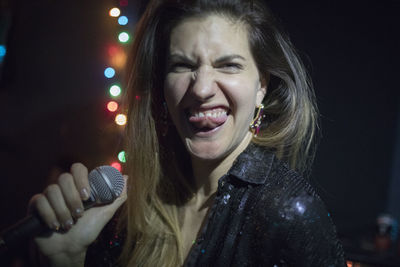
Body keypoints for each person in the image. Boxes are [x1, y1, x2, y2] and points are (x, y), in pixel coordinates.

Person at [29, 0, 346, 266]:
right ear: (161, 88)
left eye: (228, 65)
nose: (202, 88)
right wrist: (68, 258)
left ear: (261, 86)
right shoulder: (125, 210)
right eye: (181, 65)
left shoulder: (291, 215)